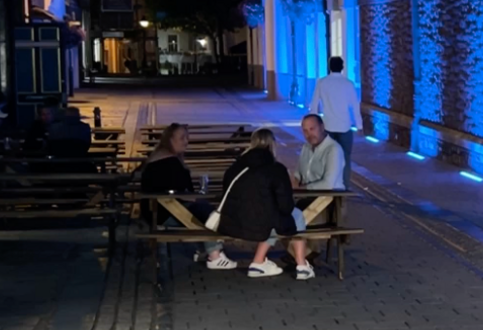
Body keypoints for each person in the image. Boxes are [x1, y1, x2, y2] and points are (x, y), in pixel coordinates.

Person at [217, 129, 314, 280]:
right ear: (273, 145)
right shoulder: (276, 169)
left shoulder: (235, 167)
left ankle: (259, 261)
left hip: (233, 221)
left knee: (270, 216)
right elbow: (286, 206)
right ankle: (301, 265)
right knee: (294, 215)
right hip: (260, 224)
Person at [138, 124, 236, 270]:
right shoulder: (170, 162)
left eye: (187, 137)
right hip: (163, 213)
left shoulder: (157, 157)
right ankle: (214, 255)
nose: (186, 141)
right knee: (209, 214)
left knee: (203, 209)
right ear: (170, 140)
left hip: (153, 211)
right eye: (182, 138)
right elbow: (185, 192)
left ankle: (205, 250)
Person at [309, 56, 363, 186]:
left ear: (329, 67)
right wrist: (359, 125)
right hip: (344, 126)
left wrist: (313, 125)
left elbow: (314, 105)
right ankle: (344, 186)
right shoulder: (348, 84)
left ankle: (328, 184)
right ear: (342, 68)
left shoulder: (321, 83)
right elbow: (355, 106)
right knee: (345, 158)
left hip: (327, 127)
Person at [294, 114, 345, 191]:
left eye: (312, 129)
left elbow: (328, 184)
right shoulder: (306, 147)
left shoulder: (333, 149)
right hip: (305, 195)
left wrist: (303, 189)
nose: (309, 134)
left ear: (322, 127)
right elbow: (298, 174)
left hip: (326, 198)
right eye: (305, 131)